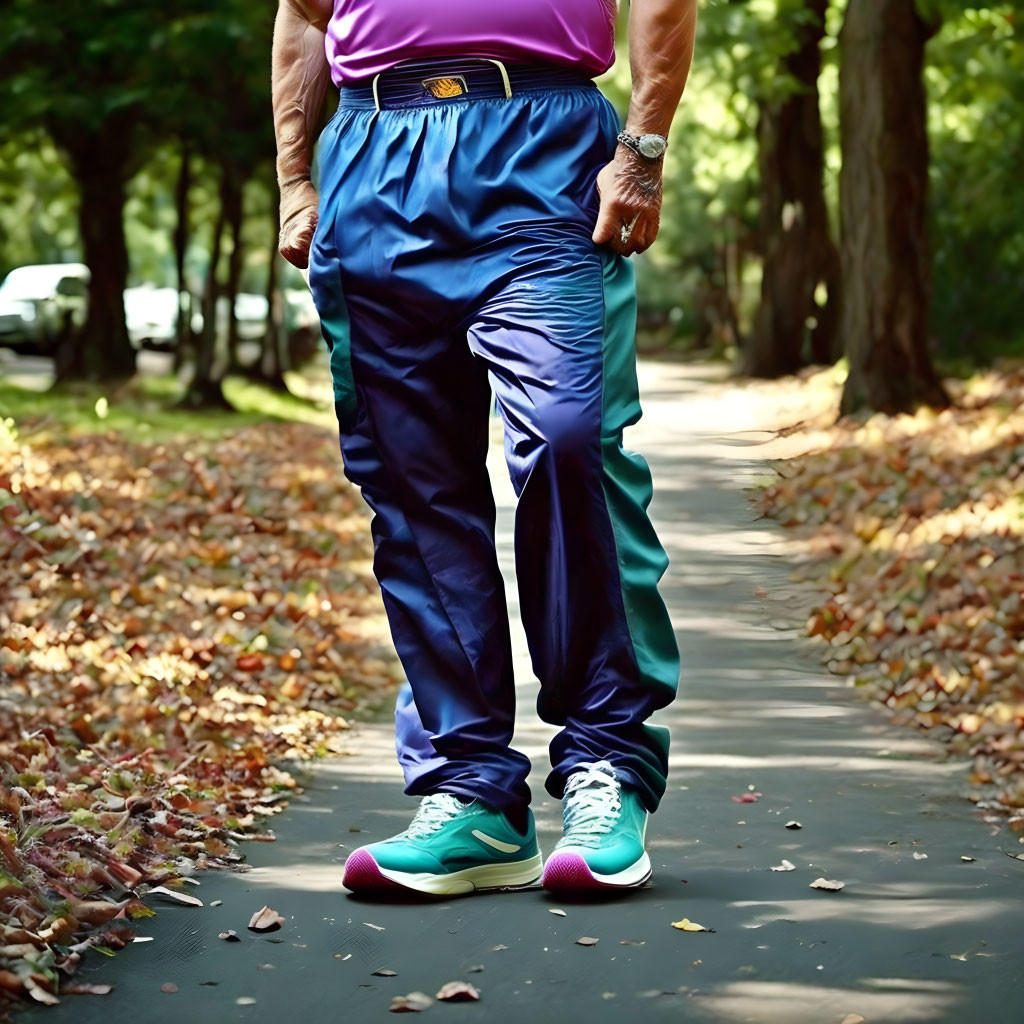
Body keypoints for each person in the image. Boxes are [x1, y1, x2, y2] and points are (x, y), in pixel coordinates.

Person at [271, 0, 697, 897]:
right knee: (412, 487)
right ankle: (473, 795)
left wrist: (644, 150)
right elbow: (305, 17)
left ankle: (607, 764)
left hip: (543, 146)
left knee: (570, 441)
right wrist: (295, 180)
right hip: (375, 153)